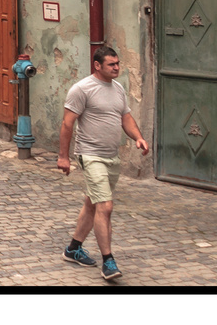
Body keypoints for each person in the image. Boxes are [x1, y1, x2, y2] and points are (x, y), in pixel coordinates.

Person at [58, 45, 149, 281]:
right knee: (105, 207)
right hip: (90, 155)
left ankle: (73, 248)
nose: (117, 67)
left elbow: (125, 117)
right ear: (97, 66)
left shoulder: (118, 89)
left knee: (93, 204)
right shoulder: (82, 89)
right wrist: (63, 156)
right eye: (112, 64)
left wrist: (138, 137)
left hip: (111, 156)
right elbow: (68, 124)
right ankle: (108, 261)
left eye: (118, 63)